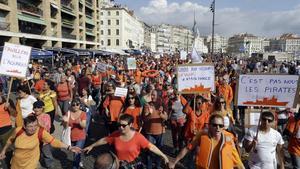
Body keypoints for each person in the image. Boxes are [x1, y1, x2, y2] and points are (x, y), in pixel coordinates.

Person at [84, 114, 169, 168]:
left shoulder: (138, 137)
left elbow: (151, 147)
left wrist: (163, 155)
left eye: (123, 126)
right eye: (119, 125)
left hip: (133, 166)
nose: (121, 128)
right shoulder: (116, 134)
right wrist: (91, 146)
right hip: (119, 166)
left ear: (131, 125)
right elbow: (104, 140)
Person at [0, 115, 81, 169]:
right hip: (16, 164)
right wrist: (3, 151)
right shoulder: (18, 130)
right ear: (24, 126)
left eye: (35, 125)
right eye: (30, 126)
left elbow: (53, 141)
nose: (33, 128)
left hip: (30, 165)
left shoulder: (40, 132)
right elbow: (10, 140)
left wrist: (69, 147)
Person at [168, 113, 244, 169]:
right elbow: (187, 149)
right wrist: (174, 161)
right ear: (209, 125)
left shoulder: (228, 139)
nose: (217, 128)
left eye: (220, 126)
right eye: (214, 125)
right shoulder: (202, 135)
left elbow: (237, 160)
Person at [142, 89, 168, 169]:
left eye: (154, 95)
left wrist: (160, 113)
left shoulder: (162, 105)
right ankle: (149, 166)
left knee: (159, 150)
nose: (152, 96)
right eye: (151, 95)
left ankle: (158, 165)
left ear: (158, 96)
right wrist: (148, 114)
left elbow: (166, 118)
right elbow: (144, 119)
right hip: (150, 132)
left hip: (160, 132)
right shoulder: (147, 105)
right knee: (150, 150)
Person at [63, 99, 87, 169]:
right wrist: (65, 122)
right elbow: (65, 127)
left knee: (76, 153)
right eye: (73, 105)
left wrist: (80, 122)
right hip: (71, 136)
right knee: (75, 153)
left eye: (77, 104)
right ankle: (78, 161)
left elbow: (84, 126)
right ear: (71, 105)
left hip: (80, 136)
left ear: (80, 105)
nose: (75, 106)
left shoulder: (83, 113)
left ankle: (75, 167)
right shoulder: (68, 113)